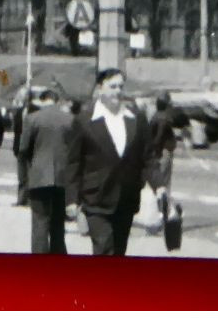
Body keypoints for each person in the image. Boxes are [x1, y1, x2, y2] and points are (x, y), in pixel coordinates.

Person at [65, 67, 166, 256]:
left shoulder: (136, 119)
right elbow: (73, 162)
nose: (118, 91)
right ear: (100, 88)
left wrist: (159, 185)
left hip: (126, 199)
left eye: (121, 86)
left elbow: (148, 158)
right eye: (112, 86)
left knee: (119, 251)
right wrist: (71, 199)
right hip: (96, 198)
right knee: (105, 248)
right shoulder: (84, 120)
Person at [18, 85, 75, 254]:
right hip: (62, 177)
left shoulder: (32, 118)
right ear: (57, 101)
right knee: (58, 223)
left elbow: (22, 150)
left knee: (39, 223)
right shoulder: (69, 119)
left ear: (42, 101)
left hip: (39, 177)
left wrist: (29, 170)